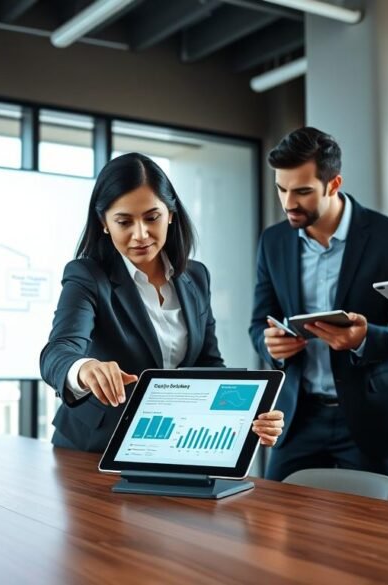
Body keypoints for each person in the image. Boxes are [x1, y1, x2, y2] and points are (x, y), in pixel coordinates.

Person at [40, 153, 284, 452]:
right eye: (124, 221)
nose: (140, 234)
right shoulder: (88, 275)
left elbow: (207, 364)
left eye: (152, 217)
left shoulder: (196, 276)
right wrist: (84, 368)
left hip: (168, 444)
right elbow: (58, 351)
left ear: (170, 213)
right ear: (104, 223)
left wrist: (248, 412)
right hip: (92, 449)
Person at [249, 127, 388, 482]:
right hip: (295, 417)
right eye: (281, 189)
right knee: (274, 530)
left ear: (333, 184)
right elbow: (258, 323)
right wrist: (272, 346)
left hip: (371, 419)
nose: (288, 203)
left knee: (373, 533)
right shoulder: (273, 241)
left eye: (302, 191)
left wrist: (363, 339)